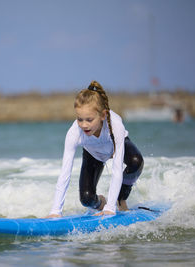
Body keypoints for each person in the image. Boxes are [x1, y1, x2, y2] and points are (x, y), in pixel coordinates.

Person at [46, 81, 144, 218]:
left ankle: (120, 200)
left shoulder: (115, 124)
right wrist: (55, 211)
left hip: (115, 148)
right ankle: (102, 203)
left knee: (135, 162)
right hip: (93, 154)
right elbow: (65, 173)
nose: (84, 125)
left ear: (103, 115)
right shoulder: (74, 133)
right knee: (86, 199)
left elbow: (117, 168)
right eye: (80, 119)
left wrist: (111, 209)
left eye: (89, 120)